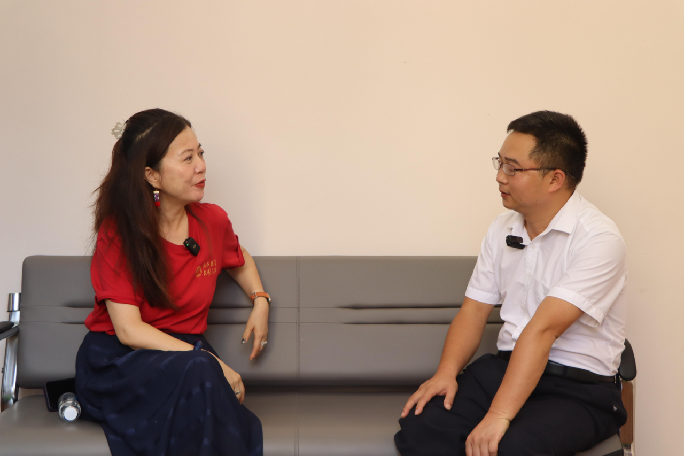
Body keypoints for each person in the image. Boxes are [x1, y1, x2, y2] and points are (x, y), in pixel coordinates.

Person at [395, 111, 628, 456]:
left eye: (512, 168)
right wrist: (446, 373)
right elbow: (474, 310)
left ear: (555, 179)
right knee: (422, 427)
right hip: (505, 369)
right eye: (500, 163)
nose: (500, 176)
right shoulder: (501, 228)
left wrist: (498, 415)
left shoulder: (599, 239)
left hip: (577, 388)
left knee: (512, 447)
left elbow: (542, 331)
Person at [76, 108, 267, 455]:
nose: (201, 166)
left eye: (201, 154)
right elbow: (129, 331)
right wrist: (212, 362)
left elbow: (239, 258)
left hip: (187, 360)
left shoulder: (212, 220)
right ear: (152, 175)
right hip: (121, 363)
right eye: (187, 158)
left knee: (201, 381)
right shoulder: (119, 232)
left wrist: (261, 300)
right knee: (205, 379)